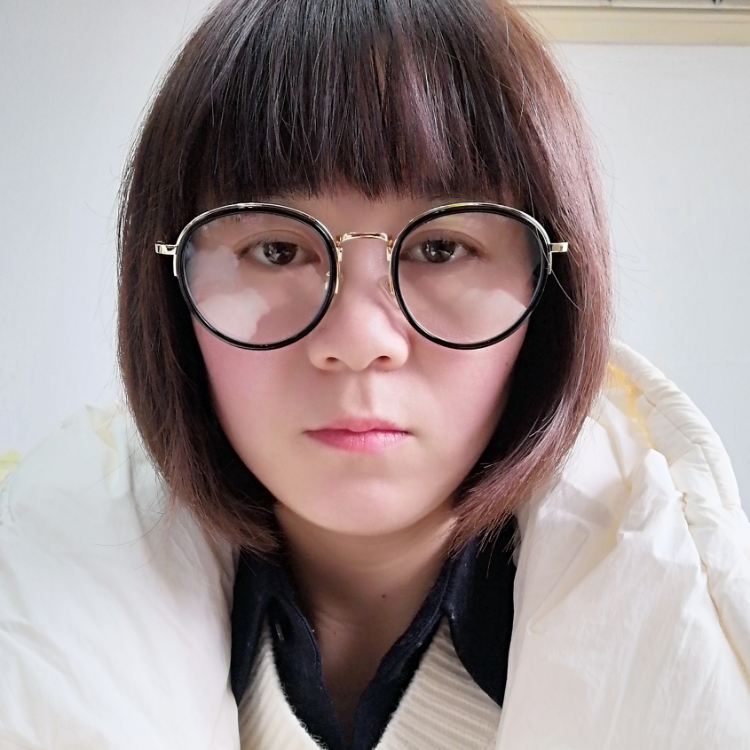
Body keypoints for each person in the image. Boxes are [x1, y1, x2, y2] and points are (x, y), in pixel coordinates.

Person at [1, 0, 748, 748]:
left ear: (548, 286)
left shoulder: (695, 623)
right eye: (276, 251)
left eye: (441, 249)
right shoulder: (37, 602)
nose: (358, 340)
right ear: (167, 287)